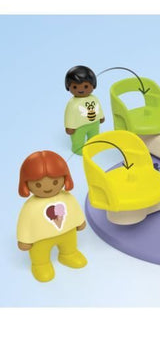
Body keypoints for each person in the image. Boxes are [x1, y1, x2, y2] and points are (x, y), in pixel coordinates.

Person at [16, 150, 87, 282]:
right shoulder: (30, 206)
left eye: (55, 182)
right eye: (38, 184)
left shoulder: (67, 197)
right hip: (40, 239)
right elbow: (25, 223)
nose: (47, 187)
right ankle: (40, 264)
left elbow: (74, 209)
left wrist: (80, 222)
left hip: (67, 231)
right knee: (40, 254)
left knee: (70, 245)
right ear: (26, 183)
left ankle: (68, 254)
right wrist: (24, 240)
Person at [64, 65, 105, 155]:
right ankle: (78, 149)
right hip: (78, 127)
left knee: (94, 137)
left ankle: (94, 146)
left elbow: (98, 108)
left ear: (93, 85)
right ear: (68, 87)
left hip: (94, 123)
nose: (81, 89)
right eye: (75, 87)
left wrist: (101, 117)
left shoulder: (94, 98)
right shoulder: (72, 103)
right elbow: (69, 115)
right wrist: (69, 126)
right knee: (78, 140)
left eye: (86, 86)